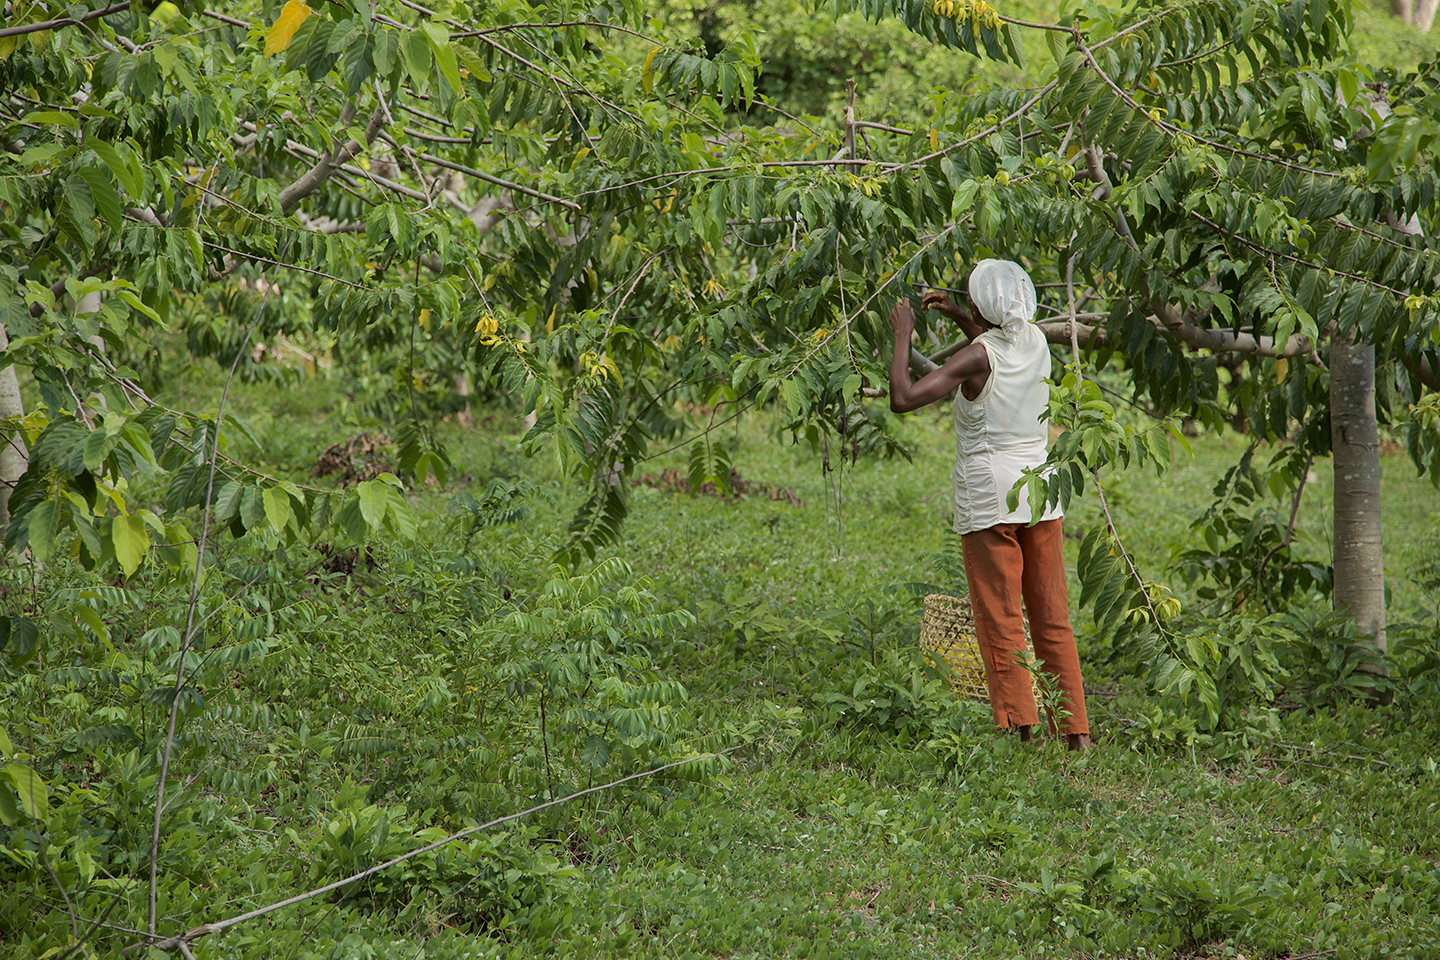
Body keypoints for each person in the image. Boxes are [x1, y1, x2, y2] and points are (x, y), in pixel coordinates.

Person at [887, 259, 1092, 751]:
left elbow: (903, 397)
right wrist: (961, 316)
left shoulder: (976, 357)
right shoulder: (1039, 341)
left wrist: (903, 336)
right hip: (1041, 494)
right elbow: (998, 342)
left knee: (999, 614)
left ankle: (1018, 729)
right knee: (1051, 616)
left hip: (990, 500)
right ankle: (1076, 733)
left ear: (985, 307)